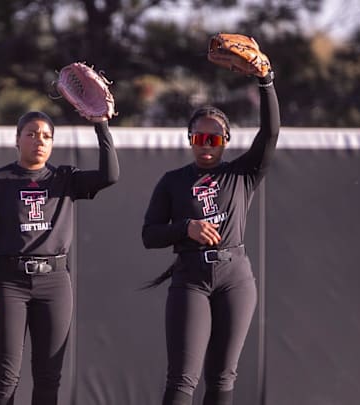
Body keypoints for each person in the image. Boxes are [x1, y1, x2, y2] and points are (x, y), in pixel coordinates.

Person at [141, 63, 280, 404]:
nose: (206, 144)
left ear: (225, 141)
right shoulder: (173, 181)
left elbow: (271, 133)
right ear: (190, 140)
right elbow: (149, 235)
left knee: (222, 377)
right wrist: (185, 228)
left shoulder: (241, 174)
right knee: (183, 379)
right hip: (191, 278)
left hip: (235, 278)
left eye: (214, 138)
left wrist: (266, 81)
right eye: (200, 137)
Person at [0, 111, 119, 405]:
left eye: (47, 136)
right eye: (32, 134)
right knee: (5, 376)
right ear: (17, 139)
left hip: (54, 282)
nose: (40, 140)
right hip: (9, 282)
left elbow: (110, 175)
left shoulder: (64, 178)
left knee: (49, 377)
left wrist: (101, 124)